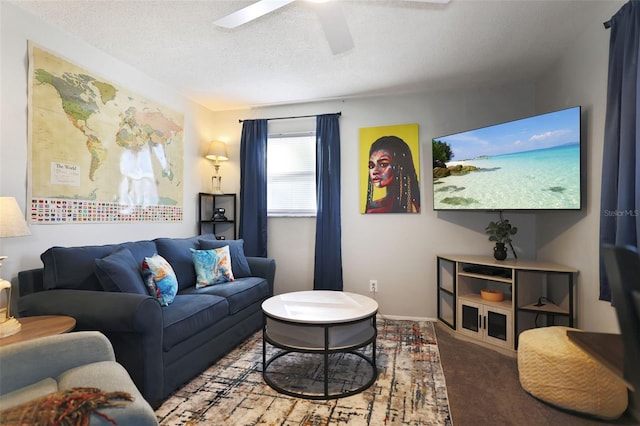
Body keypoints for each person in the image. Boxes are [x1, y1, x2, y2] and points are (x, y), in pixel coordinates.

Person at [365, 135, 420, 213]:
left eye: (383, 164)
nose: (375, 171)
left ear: (400, 166)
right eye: (371, 166)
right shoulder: (374, 209)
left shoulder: (415, 206)